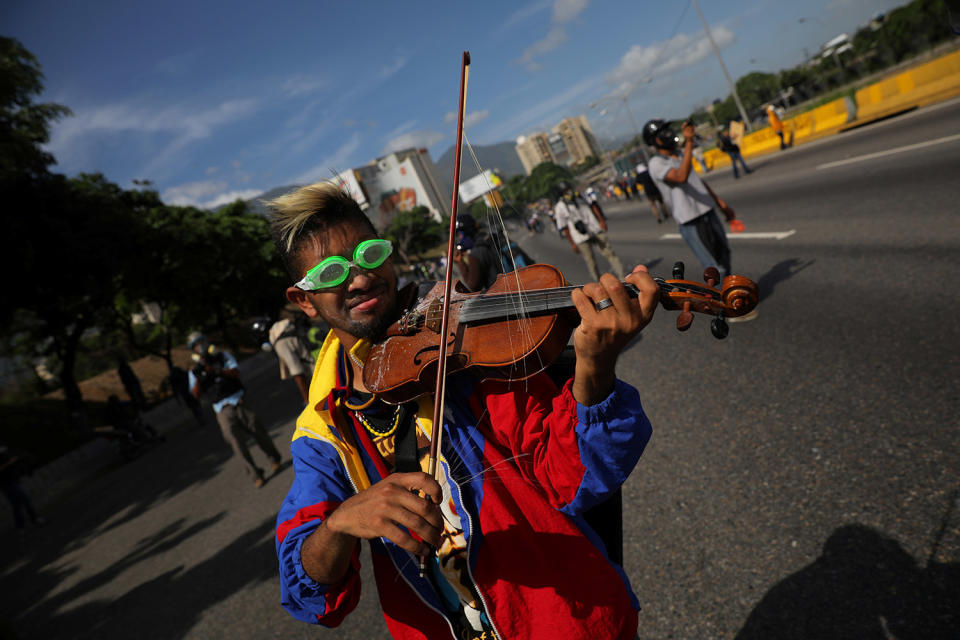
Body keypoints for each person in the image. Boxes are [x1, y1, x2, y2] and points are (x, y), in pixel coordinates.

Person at [268, 181, 658, 640]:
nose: (358, 278)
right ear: (303, 300)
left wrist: (595, 367)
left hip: (559, 619)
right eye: (331, 272)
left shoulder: (465, 350)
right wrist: (340, 523)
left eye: (369, 254)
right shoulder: (323, 429)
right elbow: (309, 591)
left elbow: (568, 476)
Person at [644, 118, 743, 284]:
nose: (669, 135)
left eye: (669, 130)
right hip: (691, 221)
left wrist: (720, 203)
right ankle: (724, 308)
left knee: (725, 254)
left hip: (708, 211)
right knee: (714, 268)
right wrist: (689, 141)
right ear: (655, 141)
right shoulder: (656, 163)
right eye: (663, 133)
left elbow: (696, 181)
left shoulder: (681, 154)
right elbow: (681, 177)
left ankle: (729, 299)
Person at [187, 332, 282, 488]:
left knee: (257, 429)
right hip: (221, 408)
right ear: (193, 350)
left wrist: (216, 371)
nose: (200, 346)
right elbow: (195, 394)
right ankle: (255, 475)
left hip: (239, 399)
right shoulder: (194, 371)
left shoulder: (222, 357)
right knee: (236, 443)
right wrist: (198, 376)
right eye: (196, 345)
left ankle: (274, 458)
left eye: (202, 342)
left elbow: (236, 372)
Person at [553, 181, 625, 281]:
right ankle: (599, 284)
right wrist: (572, 243)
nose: (568, 191)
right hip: (580, 237)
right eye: (565, 191)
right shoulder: (560, 207)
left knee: (610, 253)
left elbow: (593, 206)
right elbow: (565, 227)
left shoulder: (581, 196)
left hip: (594, 229)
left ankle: (623, 279)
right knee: (591, 262)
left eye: (569, 188)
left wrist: (601, 220)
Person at [268, 306, 317, 404]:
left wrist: (307, 402)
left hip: (316, 376)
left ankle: (308, 401)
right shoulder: (291, 331)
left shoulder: (280, 342)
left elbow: (297, 373)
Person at [0, 444, 46, 538]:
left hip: (13, 480)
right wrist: (9, 463)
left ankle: (22, 527)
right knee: (25, 500)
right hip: (6, 484)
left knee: (17, 505)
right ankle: (33, 520)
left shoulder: (5, 452)